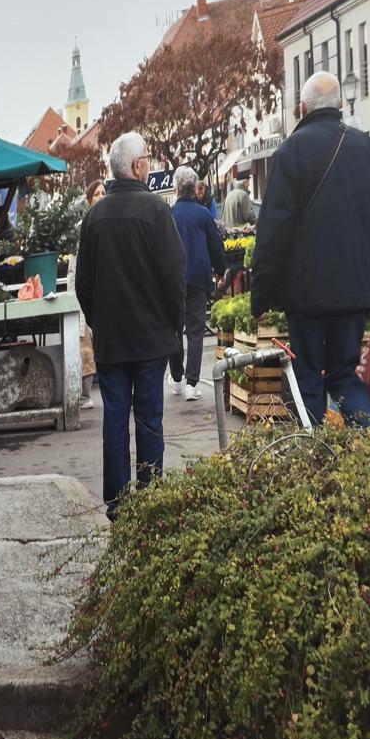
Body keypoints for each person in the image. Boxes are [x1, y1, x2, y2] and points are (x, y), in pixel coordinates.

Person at [250, 72, 370, 426]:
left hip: (306, 293)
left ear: (302, 107)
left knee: (308, 377)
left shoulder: (290, 152)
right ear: (340, 104)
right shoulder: (369, 150)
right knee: (345, 374)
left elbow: (273, 232)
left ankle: (311, 453)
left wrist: (261, 296)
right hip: (354, 290)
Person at [76, 133, 186, 520]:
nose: (150, 164)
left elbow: (83, 284)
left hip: (112, 340)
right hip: (151, 338)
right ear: (138, 166)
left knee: (115, 418)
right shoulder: (156, 211)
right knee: (149, 419)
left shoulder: (94, 217)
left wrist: (99, 321)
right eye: (148, 159)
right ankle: (150, 496)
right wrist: (175, 324)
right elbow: (173, 276)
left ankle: (118, 502)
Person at [169, 166, 224, 402]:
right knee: (195, 331)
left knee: (174, 329)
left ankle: (177, 377)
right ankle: (192, 383)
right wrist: (220, 270)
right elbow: (216, 245)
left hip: (173, 280)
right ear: (194, 189)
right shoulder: (203, 215)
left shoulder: (170, 214)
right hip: (199, 279)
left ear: (177, 188)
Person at [73, 179, 109, 410]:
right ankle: (85, 395)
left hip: (107, 294)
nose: (101, 197)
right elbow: (78, 269)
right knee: (85, 344)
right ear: (89, 200)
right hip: (89, 296)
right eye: (97, 194)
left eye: (104, 193)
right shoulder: (83, 226)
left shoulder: (110, 220)